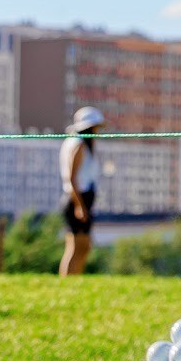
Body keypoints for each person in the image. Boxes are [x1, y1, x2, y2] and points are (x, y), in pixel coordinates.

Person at [57, 106, 104, 276]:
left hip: (81, 200)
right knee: (74, 246)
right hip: (77, 200)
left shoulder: (77, 143)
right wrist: (79, 205)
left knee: (83, 247)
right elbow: (71, 178)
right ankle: (68, 282)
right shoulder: (78, 145)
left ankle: (75, 279)